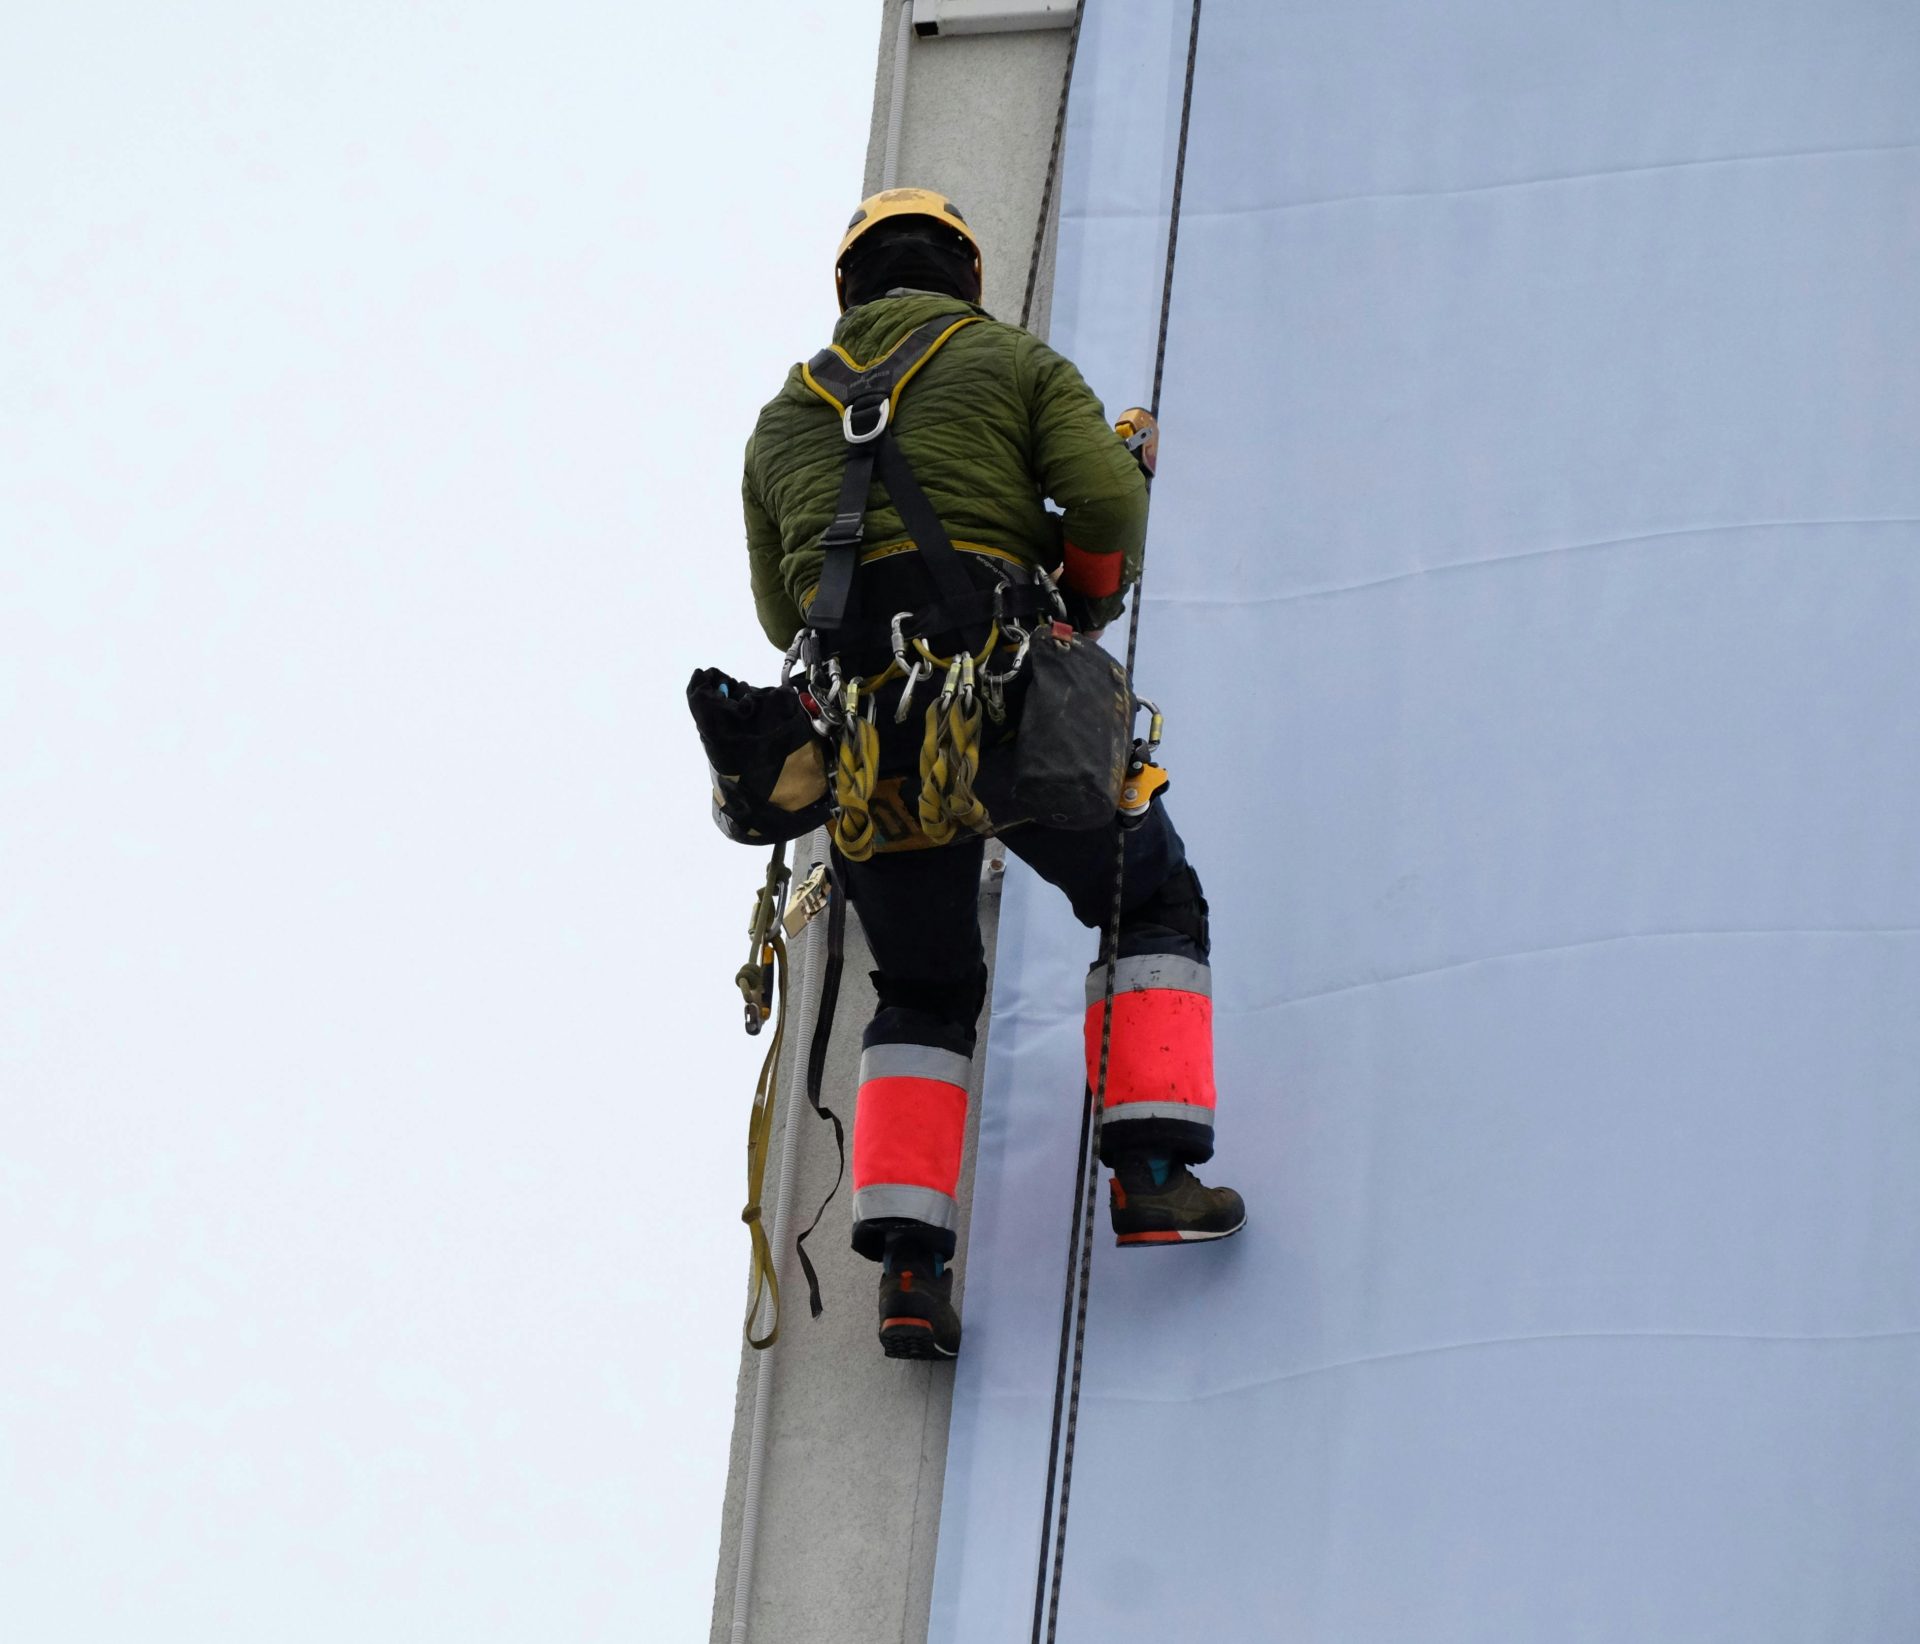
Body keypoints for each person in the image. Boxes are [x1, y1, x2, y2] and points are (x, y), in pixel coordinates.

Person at [741, 188, 1243, 1361]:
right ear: (966, 276)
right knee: (1149, 900)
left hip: (868, 745)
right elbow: (1108, 499)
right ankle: (1153, 1171)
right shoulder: (1011, 360)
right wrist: (1085, 597)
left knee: (920, 992)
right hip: (1009, 702)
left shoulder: (779, 422)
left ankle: (911, 1274)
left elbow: (781, 612)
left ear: (846, 290)